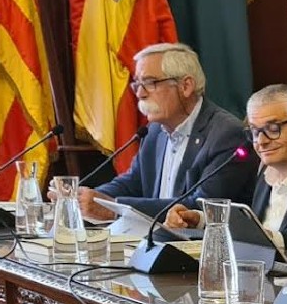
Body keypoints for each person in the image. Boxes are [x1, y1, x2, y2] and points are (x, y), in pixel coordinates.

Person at [70, 43, 258, 219]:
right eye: (137, 84)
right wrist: (83, 199)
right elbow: (133, 182)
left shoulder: (227, 134)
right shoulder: (154, 132)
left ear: (186, 86)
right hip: (154, 237)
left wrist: (114, 208)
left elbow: (202, 207)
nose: (140, 93)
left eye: (150, 82)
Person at [163, 84, 287, 252]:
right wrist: (200, 220)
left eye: (273, 129)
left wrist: (265, 237)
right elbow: (248, 224)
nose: (261, 141)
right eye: (254, 131)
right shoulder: (263, 171)